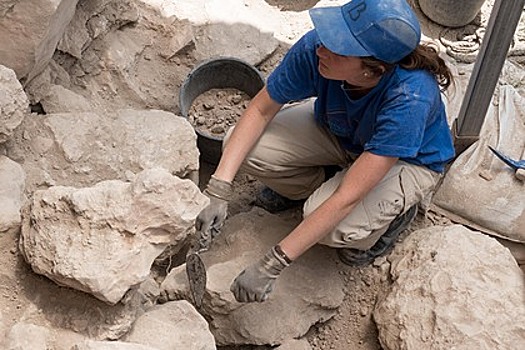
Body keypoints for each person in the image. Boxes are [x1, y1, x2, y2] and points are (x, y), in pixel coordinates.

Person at [195, 0, 455, 303]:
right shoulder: (319, 48)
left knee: (334, 226)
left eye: (340, 48)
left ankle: (393, 216)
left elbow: (349, 197)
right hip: (344, 132)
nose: (323, 49)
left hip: (406, 160)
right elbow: (261, 110)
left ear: (373, 71)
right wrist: (219, 188)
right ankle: (320, 182)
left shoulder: (410, 98)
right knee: (241, 147)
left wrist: (273, 264)